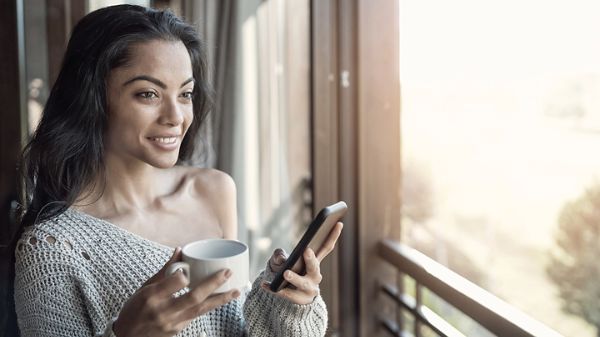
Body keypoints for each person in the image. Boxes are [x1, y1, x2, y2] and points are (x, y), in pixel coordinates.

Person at [12, 4, 342, 337]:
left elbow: (231, 329)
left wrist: (286, 304)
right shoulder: (51, 249)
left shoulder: (213, 190)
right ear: (92, 98)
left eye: (185, 94)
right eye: (148, 94)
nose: (176, 116)